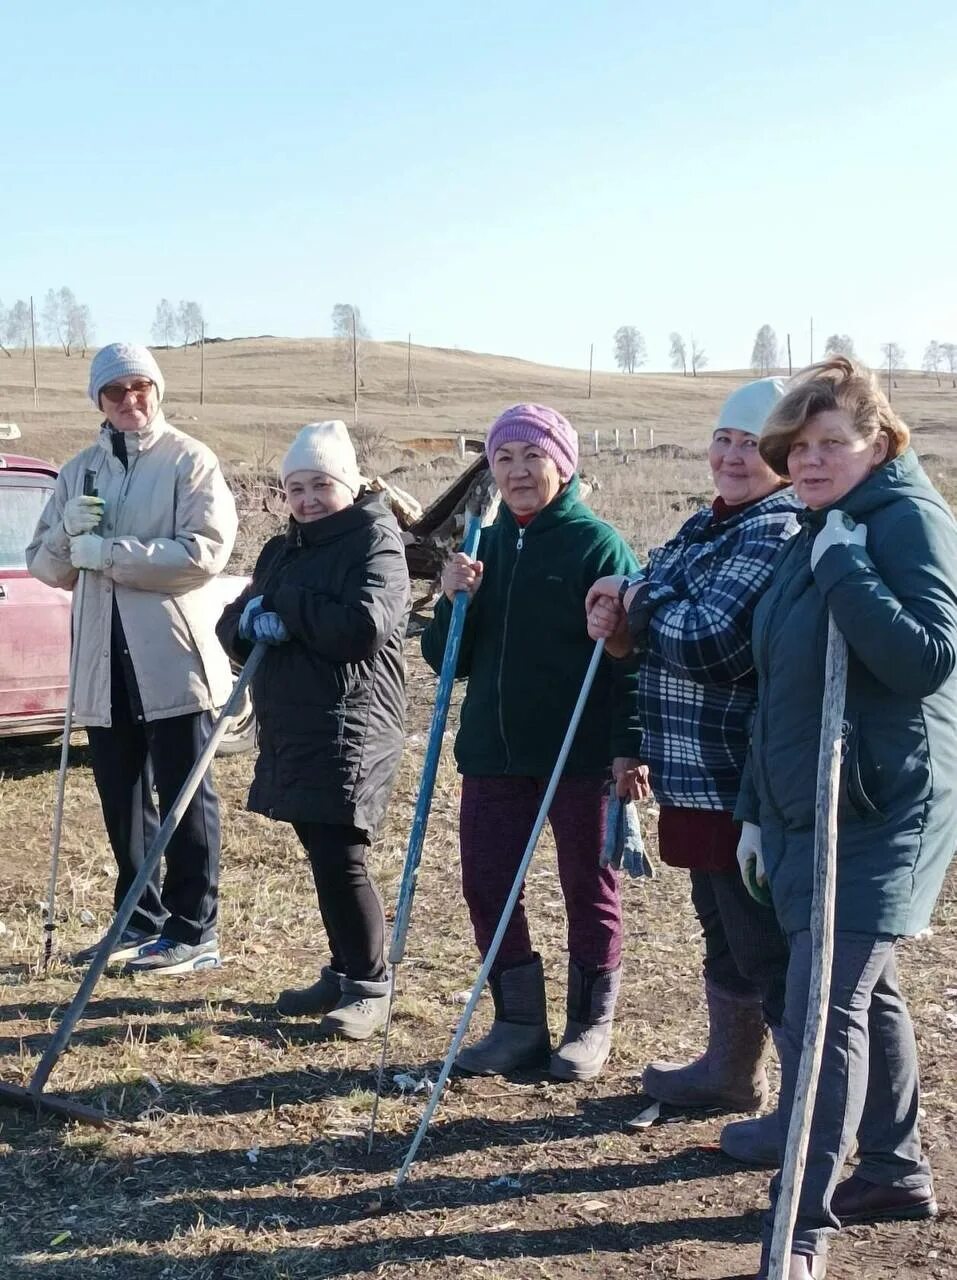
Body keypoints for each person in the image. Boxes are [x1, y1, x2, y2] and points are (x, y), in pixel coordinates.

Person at [734, 358, 956, 1280]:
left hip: (879, 802)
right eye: (797, 445)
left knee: (825, 1006)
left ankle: (803, 1225)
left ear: (878, 441)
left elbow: (928, 660)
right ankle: (895, 1169)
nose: (811, 459)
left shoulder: (904, 523)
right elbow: (776, 682)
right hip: (803, 801)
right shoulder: (816, 526)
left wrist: (851, 573)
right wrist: (753, 809)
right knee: (866, 992)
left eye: (832, 442)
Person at [585, 378, 799, 1157]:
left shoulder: (775, 529)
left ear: (778, 455)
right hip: (688, 771)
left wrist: (636, 599)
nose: (733, 456)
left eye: (751, 444)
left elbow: (713, 639)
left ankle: (803, 1104)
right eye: (724, 440)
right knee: (718, 924)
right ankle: (729, 1071)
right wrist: (626, 612)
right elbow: (654, 620)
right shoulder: (702, 526)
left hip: (738, 773)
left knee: (762, 938)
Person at [421, 403, 646, 1082]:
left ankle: (587, 1026)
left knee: (588, 886)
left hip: (579, 757)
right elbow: (445, 660)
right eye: (504, 459)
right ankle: (517, 1024)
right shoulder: (478, 545)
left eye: (532, 456)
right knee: (487, 886)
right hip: (493, 753)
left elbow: (628, 658)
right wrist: (449, 599)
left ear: (563, 463)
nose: (518, 471)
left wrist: (627, 747)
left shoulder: (596, 545)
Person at [26, 343, 238, 975]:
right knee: (123, 800)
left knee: (185, 796)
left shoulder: (189, 460)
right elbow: (46, 565)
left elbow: (205, 552)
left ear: (157, 390)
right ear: (99, 400)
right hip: (102, 660)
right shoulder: (77, 471)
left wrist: (109, 552)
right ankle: (137, 919)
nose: (129, 400)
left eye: (139, 387)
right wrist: (68, 530)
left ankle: (194, 927)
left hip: (171, 658)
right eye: (115, 391)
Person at [217, 421, 410, 1040]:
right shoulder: (283, 549)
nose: (307, 499)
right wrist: (250, 621)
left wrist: (283, 610)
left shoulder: (376, 542)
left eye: (320, 484)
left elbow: (362, 627)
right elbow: (230, 624)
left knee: (341, 853)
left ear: (348, 484)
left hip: (352, 721)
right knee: (320, 851)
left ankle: (371, 985)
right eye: (295, 487)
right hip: (296, 722)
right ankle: (344, 969)